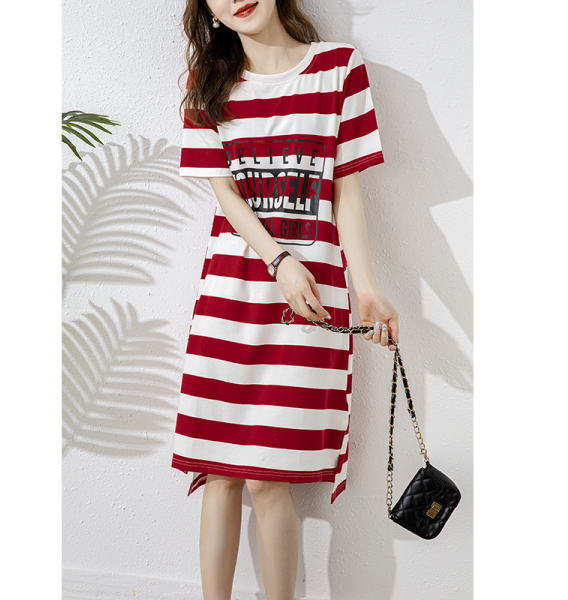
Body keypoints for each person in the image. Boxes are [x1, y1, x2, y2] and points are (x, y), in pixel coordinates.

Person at [172, 1, 399, 598]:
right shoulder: (206, 82)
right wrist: (279, 260)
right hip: (230, 298)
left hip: (309, 305)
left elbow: (346, 192)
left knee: (268, 478)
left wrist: (367, 289)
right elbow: (226, 195)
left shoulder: (338, 69)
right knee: (219, 471)